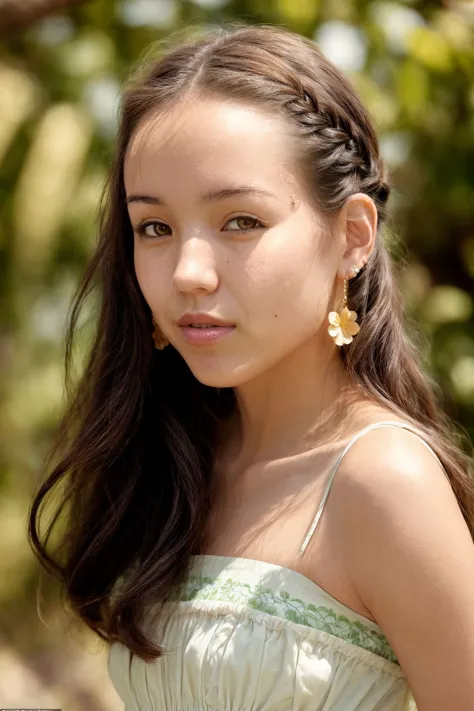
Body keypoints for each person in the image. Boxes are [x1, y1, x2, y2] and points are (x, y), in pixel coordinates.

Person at [28, 21, 474, 711]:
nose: (189, 272)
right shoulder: (184, 461)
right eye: (155, 227)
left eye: (241, 220)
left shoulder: (381, 480)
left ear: (352, 237)